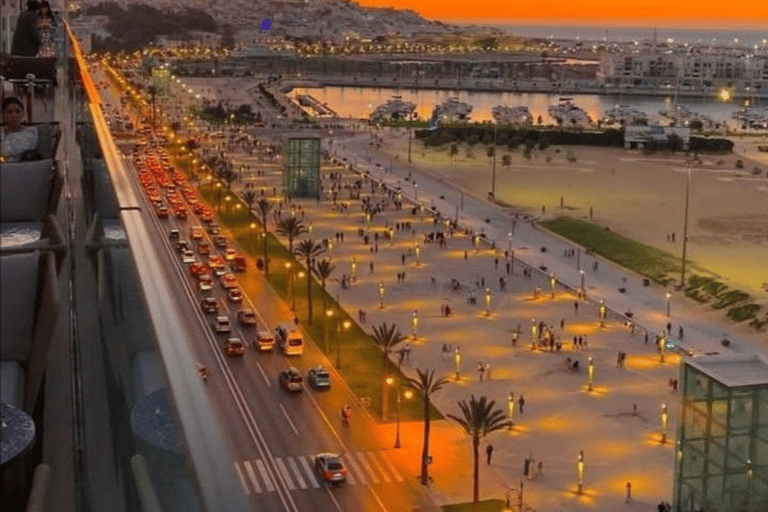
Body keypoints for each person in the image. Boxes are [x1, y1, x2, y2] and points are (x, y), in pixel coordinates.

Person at [1, 97, 38, 162]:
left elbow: (28, 151)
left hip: (25, 166)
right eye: (9, 112)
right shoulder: (2, 134)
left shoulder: (31, 132)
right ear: (4, 115)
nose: (14, 115)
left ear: (23, 113)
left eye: (17, 111)